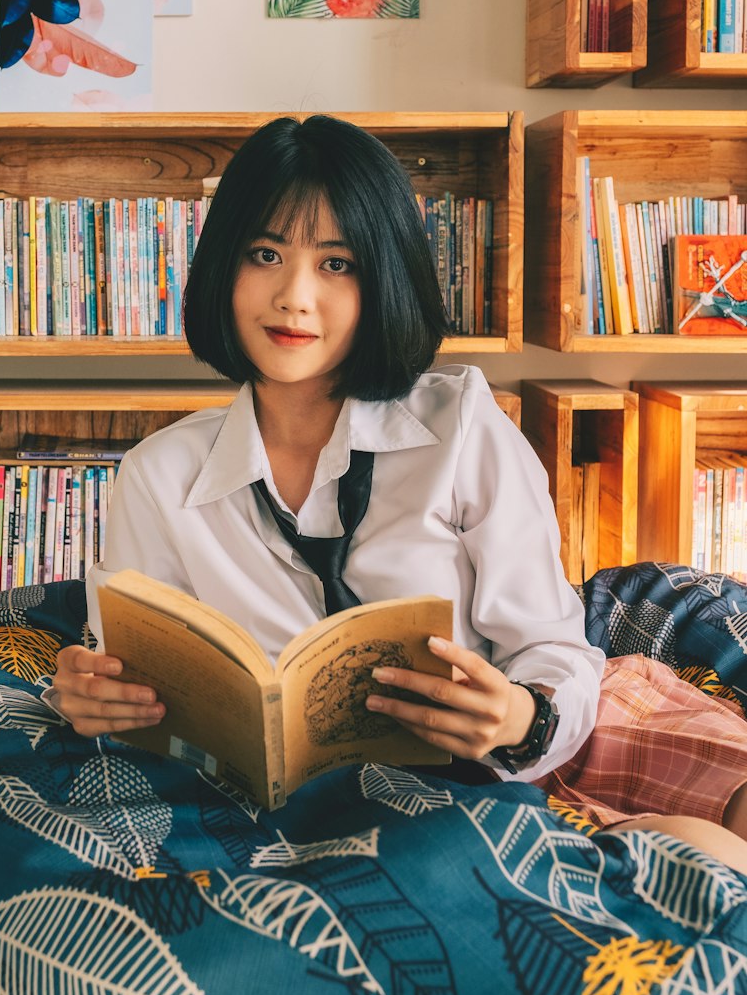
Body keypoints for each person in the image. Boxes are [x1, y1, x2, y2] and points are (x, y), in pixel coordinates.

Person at [52, 115, 747, 873]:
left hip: (524, 760)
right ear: (224, 266)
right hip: (339, 813)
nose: (294, 297)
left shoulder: (463, 429)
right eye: (265, 254)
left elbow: (552, 647)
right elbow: (140, 685)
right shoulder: (159, 475)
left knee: (722, 835)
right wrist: (96, 702)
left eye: (337, 264)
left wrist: (519, 715)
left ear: (383, 277)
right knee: (685, 873)